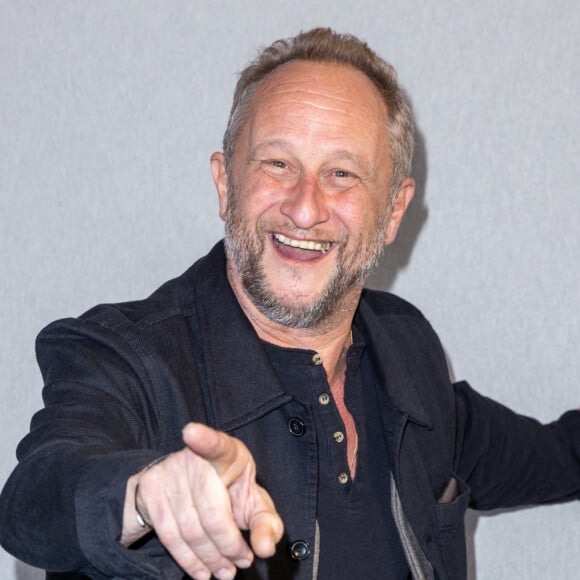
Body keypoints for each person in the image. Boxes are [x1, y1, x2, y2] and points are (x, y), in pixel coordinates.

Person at [0, 27, 579, 580]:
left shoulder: (407, 349)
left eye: (342, 173)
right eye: (278, 164)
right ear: (225, 185)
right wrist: (145, 491)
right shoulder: (125, 358)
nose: (306, 208)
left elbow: (540, 455)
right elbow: (36, 500)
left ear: (394, 212)